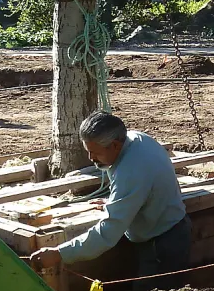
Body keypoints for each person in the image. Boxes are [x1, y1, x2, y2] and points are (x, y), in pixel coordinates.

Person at [29, 112, 191, 279]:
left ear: (114, 145)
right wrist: (116, 201)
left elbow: (107, 233)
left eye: (96, 153)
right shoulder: (135, 140)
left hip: (163, 246)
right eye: (88, 151)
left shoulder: (131, 171)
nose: (91, 158)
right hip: (167, 230)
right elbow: (144, 189)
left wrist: (59, 253)